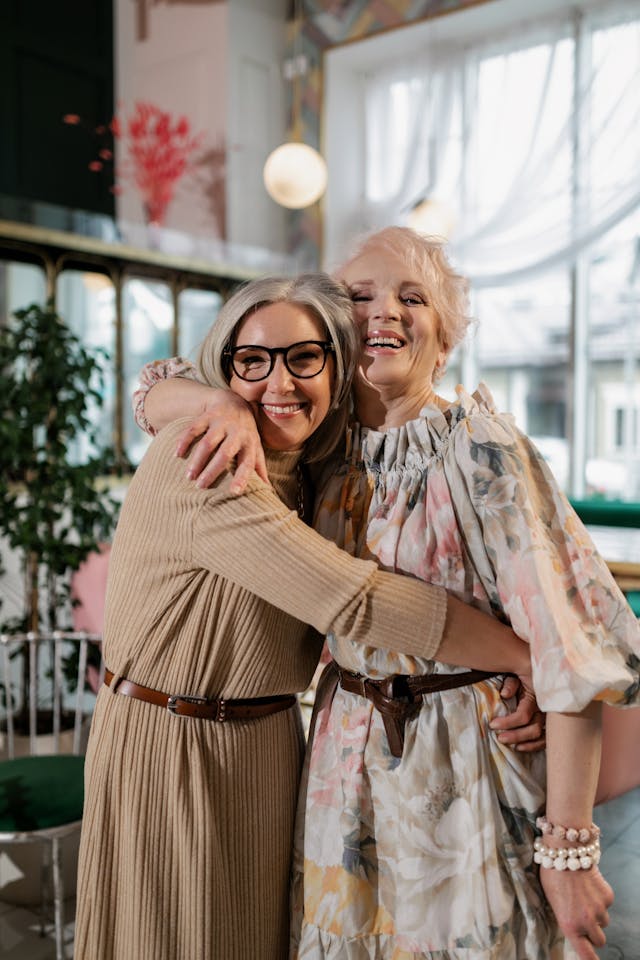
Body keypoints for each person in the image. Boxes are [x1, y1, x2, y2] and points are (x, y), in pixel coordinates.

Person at [135, 228, 640, 960]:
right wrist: (224, 404)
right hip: (342, 769)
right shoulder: (317, 444)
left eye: (413, 298)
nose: (386, 312)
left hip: (460, 771)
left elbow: (574, 651)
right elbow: (152, 386)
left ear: (445, 339)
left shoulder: (482, 450)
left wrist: (570, 851)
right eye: (361, 296)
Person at [75, 272, 534, 960]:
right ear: (225, 366)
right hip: (174, 747)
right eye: (252, 361)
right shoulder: (206, 460)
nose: (279, 382)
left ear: (335, 367)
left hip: (265, 746)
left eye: (303, 357)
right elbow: (355, 600)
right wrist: (525, 656)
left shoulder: (310, 463)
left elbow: (156, 383)